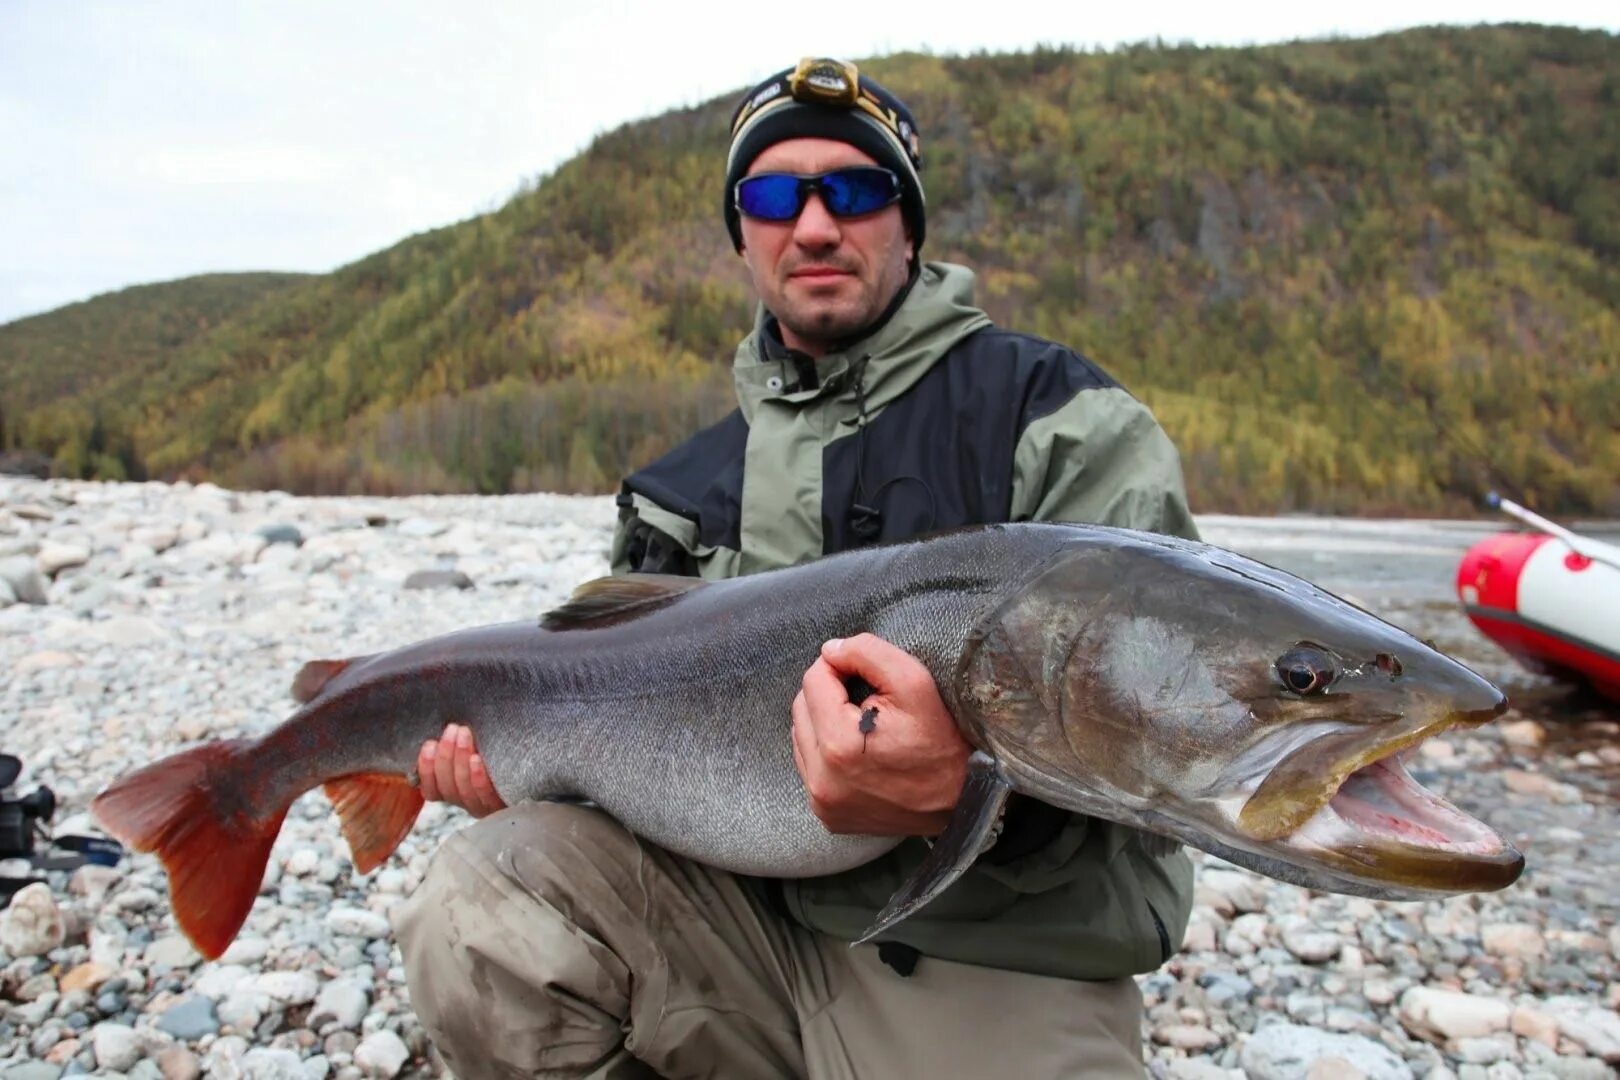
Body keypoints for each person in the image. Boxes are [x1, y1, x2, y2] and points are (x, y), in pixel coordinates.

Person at [393, 57, 1200, 1079]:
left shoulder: (1059, 423)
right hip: (728, 929)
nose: (814, 224)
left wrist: (961, 796)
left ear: (907, 223)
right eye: (774, 196)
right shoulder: (676, 493)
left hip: (994, 952)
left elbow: (1166, 733)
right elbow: (608, 759)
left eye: (855, 190)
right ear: (744, 237)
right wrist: (516, 781)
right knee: (480, 908)